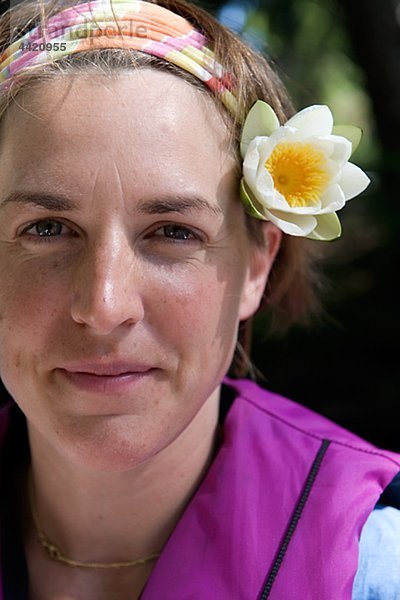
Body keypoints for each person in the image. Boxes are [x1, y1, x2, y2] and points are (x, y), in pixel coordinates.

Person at [0, 0, 399, 598]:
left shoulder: (370, 565)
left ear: (258, 264)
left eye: (173, 232)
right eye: (48, 228)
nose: (105, 305)